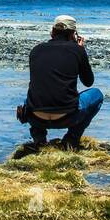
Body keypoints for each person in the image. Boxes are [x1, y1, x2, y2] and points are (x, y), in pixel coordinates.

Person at [16, 14, 103, 149]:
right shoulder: (77, 50)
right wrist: (81, 51)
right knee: (97, 94)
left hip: (36, 117)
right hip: (67, 116)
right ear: (73, 34)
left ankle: (39, 139)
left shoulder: (36, 50)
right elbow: (88, 82)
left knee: (33, 95)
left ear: (52, 32)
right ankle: (71, 140)